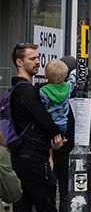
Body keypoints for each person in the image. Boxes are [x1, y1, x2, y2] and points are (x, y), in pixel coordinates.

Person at [10, 44, 63, 212]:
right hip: (33, 156)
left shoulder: (18, 90)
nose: (38, 62)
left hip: (22, 154)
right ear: (19, 62)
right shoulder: (25, 91)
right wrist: (56, 134)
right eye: (32, 59)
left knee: (23, 204)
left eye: (38, 58)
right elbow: (44, 120)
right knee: (46, 204)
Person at [40, 57, 77, 206]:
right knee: (65, 188)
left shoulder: (42, 91)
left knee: (50, 176)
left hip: (50, 130)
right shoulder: (67, 89)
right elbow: (73, 81)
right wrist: (75, 72)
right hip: (64, 129)